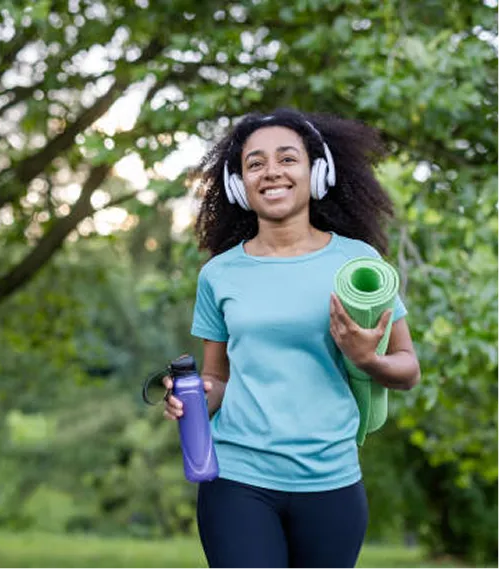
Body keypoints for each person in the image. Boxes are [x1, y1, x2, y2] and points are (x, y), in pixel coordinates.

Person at [162, 108, 421, 569]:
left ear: (316, 171)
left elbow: (407, 368)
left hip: (331, 481)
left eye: (287, 158)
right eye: (255, 163)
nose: (272, 172)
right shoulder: (219, 274)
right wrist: (195, 397)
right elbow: (216, 380)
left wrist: (368, 360)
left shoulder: (357, 263)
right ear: (240, 183)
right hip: (238, 480)